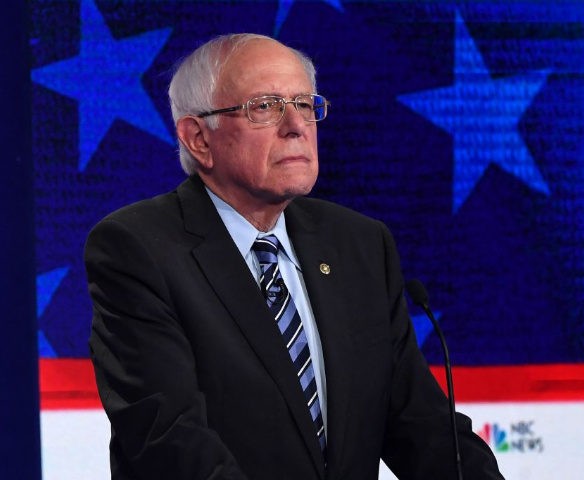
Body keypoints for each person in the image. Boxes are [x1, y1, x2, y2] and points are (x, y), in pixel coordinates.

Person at [85, 33, 504, 480]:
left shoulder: (358, 244)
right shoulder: (138, 249)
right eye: (264, 107)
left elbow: (422, 426)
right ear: (198, 139)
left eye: (305, 104)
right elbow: (170, 443)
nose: (296, 125)